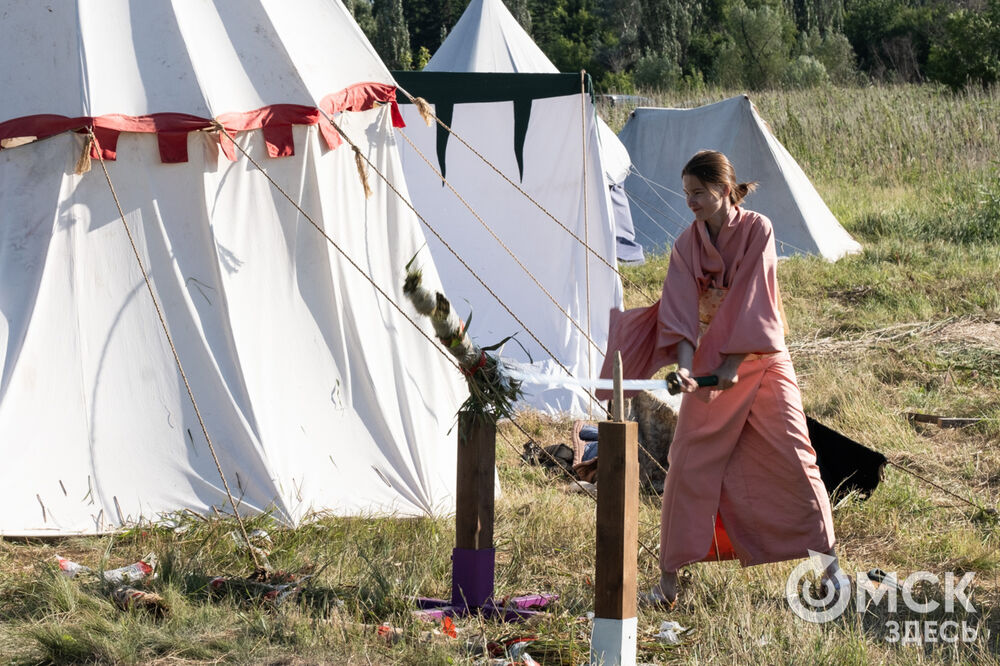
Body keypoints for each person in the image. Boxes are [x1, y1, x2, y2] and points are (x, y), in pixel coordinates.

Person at [600, 150, 839, 606]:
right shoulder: (685, 245)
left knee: (796, 455)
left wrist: (733, 363)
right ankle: (668, 585)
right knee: (686, 462)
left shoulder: (757, 229)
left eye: (698, 193)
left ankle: (830, 570)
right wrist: (688, 367)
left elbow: (755, 299)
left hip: (762, 359)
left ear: (724, 191)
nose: (689, 201)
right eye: (686, 192)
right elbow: (680, 312)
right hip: (711, 363)